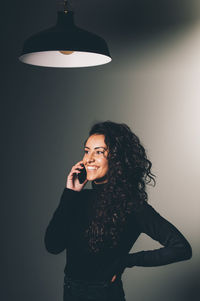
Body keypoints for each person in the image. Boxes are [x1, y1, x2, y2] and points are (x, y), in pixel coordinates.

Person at [44, 121, 192, 301]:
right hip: (70, 291)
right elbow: (53, 246)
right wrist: (70, 194)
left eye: (98, 152)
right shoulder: (77, 198)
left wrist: (127, 261)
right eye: (86, 150)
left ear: (116, 157)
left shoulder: (132, 205)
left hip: (104, 294)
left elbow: (181, 248)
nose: (88, 158)